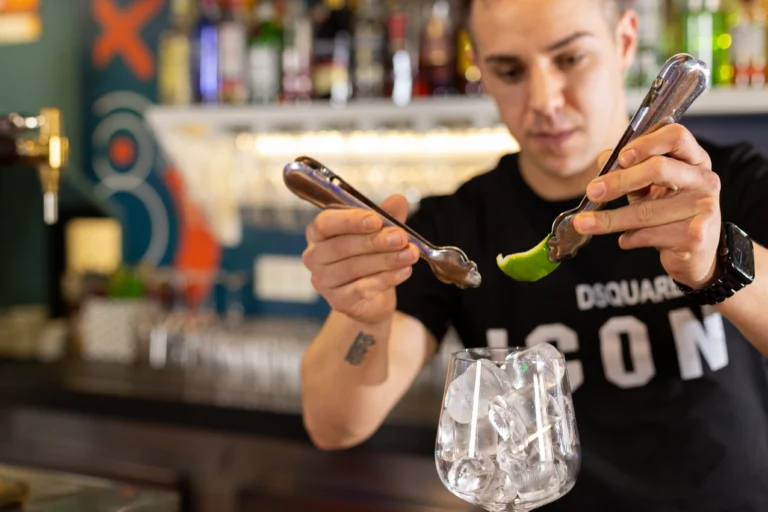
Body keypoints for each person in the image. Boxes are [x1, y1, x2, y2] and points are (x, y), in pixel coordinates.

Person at [298, 0, 768, 510]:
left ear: (625, 41)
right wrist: (363, 318)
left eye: (570, 59)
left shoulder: (718, 186)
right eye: (510, 70)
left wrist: (716, 262)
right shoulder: (452, 230)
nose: (544, 100)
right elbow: (334, 425)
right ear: (479, 67)